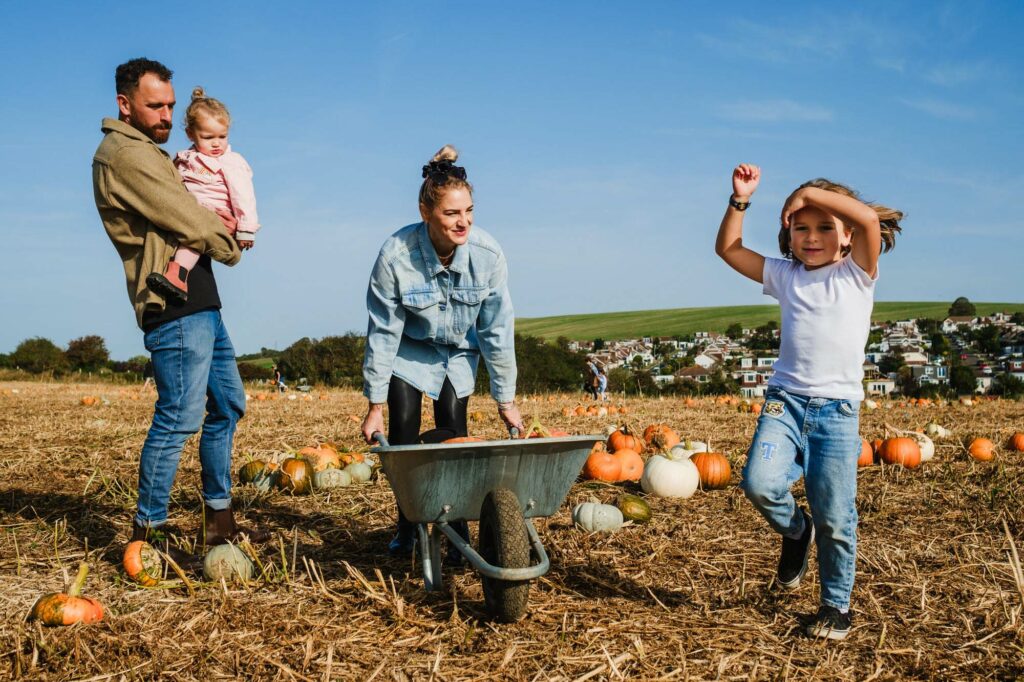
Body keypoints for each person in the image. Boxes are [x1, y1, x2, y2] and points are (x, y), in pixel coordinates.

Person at [715, 163, 902, 640]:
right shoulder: (785, 276)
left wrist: (807, 193)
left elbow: (865, 218)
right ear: (789, 233)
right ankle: (797, 531)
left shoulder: (858, 273)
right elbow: (729, 249)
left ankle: (835, 607)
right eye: (802, 227)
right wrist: (740, 201)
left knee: (836, 515)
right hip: (785, 402)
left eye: (824, 227)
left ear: (845, 238)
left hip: (837, 413)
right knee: (758, 483)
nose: (812, 237)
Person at [93, 58, 270, 555]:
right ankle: (148, 536)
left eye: (171, 105)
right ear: (125, 105)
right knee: (178, 416)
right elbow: (190, 218)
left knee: (228, 404)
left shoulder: (155, 153)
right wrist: (233, 243)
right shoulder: (125, 156)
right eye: (156, 105)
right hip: (171, 304)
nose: (167, 114)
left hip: (200, 301)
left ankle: (218, 520)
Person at [361, 145, 524, 560]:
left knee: (454, 433)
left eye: (469, 210)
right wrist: (375, 403)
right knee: (403, 433)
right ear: (425, 211)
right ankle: (409, 524)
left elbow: (497, 330)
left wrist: (505, 399)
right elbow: (383, 331)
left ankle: (456, 529)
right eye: (452, 213)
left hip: (459, 352)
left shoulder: (487, 256)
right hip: (409, 351)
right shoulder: (396, 257)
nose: (463, 221)